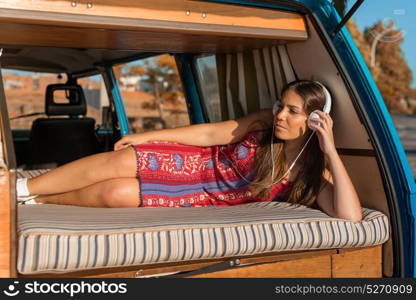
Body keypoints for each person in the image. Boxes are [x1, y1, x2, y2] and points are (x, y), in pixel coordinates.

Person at [17, 80, 362, 221]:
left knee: (115, 193)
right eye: (280, 106)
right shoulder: (263, 123)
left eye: (292, 111)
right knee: (121, 159)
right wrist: (148, 136)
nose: (280, 115)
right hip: (193, 162)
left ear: (316, 120)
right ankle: (20, 188)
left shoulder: (312, 175)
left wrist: (328, 148)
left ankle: (39, 202)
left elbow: (351, 217)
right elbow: (212, 132)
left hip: (198, 195)